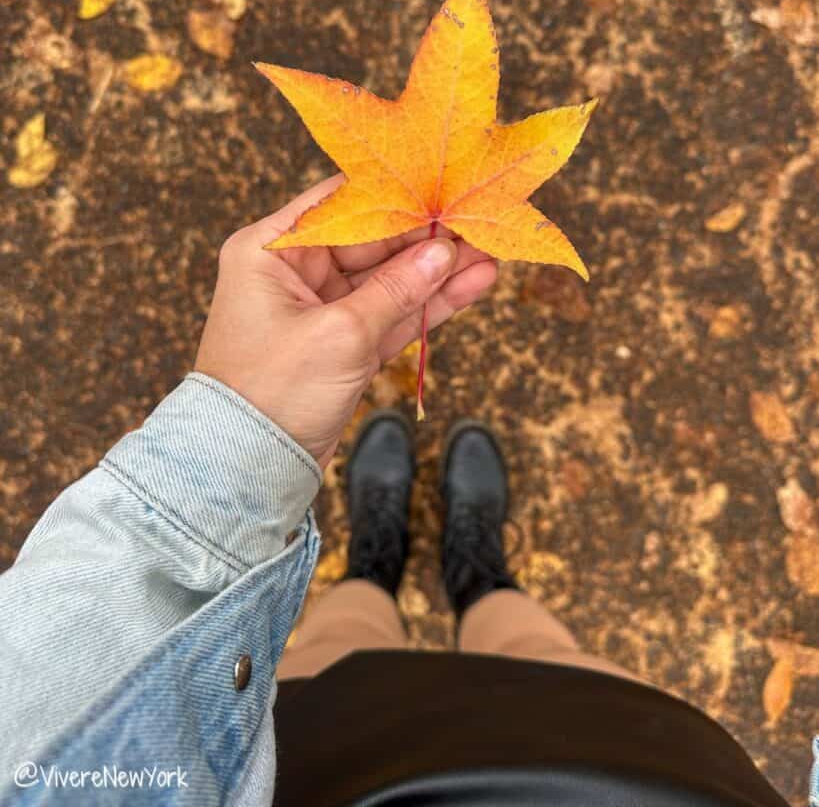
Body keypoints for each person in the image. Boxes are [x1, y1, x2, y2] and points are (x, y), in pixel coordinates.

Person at [0, 178, 789, 806]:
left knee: (345, 652)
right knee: (542, 656)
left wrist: (240, 430)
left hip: (337, 767)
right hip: (630, 767)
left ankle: (378, 566)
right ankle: (474, 570)